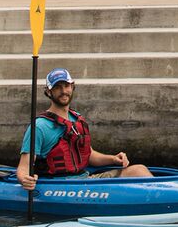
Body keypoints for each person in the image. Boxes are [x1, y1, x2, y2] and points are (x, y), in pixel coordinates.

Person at [16, 68, 152, 189]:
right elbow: (23, 168)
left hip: (86, 181)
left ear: (72, 87)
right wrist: (25, 180)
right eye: (57, 87)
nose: (63, 91)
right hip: (59, 186)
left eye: (66, 86)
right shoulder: (39, 127)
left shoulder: (77, 119)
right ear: (48, 92)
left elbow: (89, 155)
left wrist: (113, 159)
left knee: (139, 170)